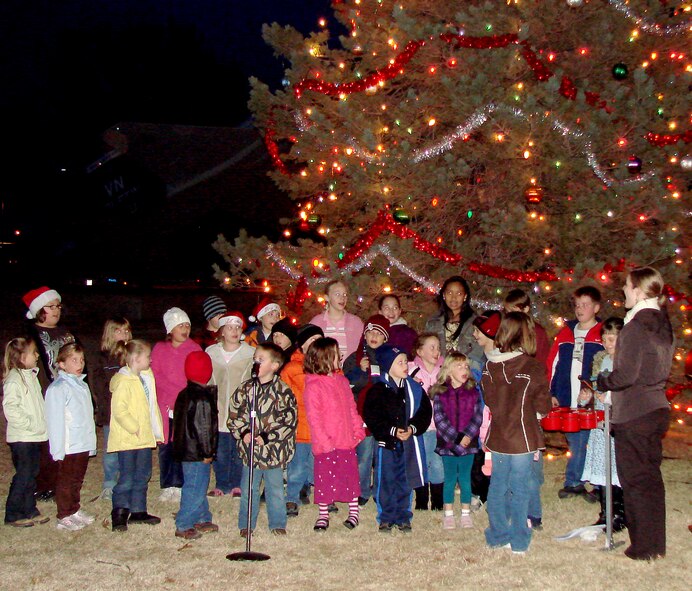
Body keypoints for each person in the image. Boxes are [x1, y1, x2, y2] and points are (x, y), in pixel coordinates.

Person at [596, 267, 673, 561]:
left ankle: (643, 547)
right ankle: (655, 543)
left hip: (635, 412)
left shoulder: (636, 326)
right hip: (656, 408)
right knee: (650, 479)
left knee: (636, 482)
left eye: (627, 287)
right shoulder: (661, 322)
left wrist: (604, 380)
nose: (624, 291)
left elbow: (625, 375)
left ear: (639, 290)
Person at [482, 312, 552, 554]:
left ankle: (498, 534)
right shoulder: (532, 367)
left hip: (500, 436)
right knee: (520, 487)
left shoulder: (489, 366)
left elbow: (490, 401)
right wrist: (541, 412)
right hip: (523, 436)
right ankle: (519, 540)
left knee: (498, 485)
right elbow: (542, 403)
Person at [228, 342, 297, 536]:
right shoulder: (245, 389)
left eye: (261, 360)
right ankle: (246, 524)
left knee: (275, 489)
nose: (256, 363)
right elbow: (234, 414)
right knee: (248, 489)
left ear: (275, 365)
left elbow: (288, 421)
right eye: (255, 359)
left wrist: (268, 436)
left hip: (272, 453)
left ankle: (277, 523)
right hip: (251, 452)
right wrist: (243, 432)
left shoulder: (283, 391)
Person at [362, 345, 432, 533]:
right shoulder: (378, 390)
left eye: (405, 361)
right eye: (399, 362)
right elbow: (372, 416)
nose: (405, 366)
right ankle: (386, 516)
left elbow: (424, 413)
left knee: (405, 480)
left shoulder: (415, 389)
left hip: (409, 444)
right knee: (386, 480)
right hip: (387, 445)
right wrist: (391, 431)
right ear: (388, 366)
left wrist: (412, 428)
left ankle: (403, 515)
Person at [303, 337, 366, 531]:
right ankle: (324, 513)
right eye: (336, 353)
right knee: (325, 478)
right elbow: (315, 418)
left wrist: (358, 430)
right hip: (326, 444)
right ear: (323, 358)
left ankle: (353, 511)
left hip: (346, 440)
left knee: (349, 476)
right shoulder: (313, 386)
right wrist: (324, 442)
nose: (340, 357)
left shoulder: (342, 381)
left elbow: (351, 407)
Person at [547, 286, 604, 501]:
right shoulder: (565, 333)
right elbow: (553, 363)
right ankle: (574, 482)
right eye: (577, 305)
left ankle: (598, 484)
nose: (580, 309)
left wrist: (595, 390)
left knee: (594, 442)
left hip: (593, 401)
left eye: (585, 305)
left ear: (596, 308)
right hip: (568, 398)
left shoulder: (602, 334)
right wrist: (551, 391)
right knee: (576, 442)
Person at [22, 286, 76, 501]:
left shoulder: (67, 334)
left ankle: (61, 481)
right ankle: (43, 484)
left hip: (68, 394)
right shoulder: (31, 336)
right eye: (50, 306)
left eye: (58, 306)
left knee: (66, 440)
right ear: (38, 309)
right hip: (46, 394)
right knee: (47, 443)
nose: (56, 310)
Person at [108, 340, 164, 532]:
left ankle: (139, 510)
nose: (150, 360)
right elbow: (119, 410)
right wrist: (135, 427)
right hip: (129, 438)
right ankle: (120, 512)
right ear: (135, 359)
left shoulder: (146, 378)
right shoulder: (123, 381)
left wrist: (154, 429)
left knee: (143, 473)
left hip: (144, 437)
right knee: (127, 476)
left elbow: (150, 406)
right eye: (147, 357)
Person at [579, 317, 626, 532]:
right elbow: (595, 386)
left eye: (612, 339)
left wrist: (609, 396)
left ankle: (620, 513)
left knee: (616, 467)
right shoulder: (601, 360)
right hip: (601, 419)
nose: (607, 344)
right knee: (603, 467)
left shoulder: (627, 362)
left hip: (617, 420)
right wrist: (588, 395)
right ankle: (606, 513)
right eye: (605, 340)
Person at [45, 343, 97, 531]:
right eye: (74, 360)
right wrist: (58, 449)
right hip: (69, 444)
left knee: (77, 479)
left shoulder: (82, 385)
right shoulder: (58, 389)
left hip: (82, 441)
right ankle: (64, 514)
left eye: (82, 359)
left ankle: (74, 509)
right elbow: (55, 420)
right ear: (61, 364)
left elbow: (86, 415)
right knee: (66, 481)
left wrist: (90, 442)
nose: (79, 363)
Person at [151, 307, 202, 501]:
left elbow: (198, 374)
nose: (185, 329)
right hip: (166, 405)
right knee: (167, 446)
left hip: (186, 405)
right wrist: (170, 391)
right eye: (180, 325)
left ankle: (180, 483)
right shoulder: (160, 349)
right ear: (170, 329)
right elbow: (155, 375)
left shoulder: (194, 348)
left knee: (183, 445)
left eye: (187, 325)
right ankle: (168, 483)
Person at [430, 352, 483, 530]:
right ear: (449, 370)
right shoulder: (441, 394)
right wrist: (456, 437)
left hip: (469, 444)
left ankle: (466, 513)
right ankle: (449, 513)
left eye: (466, 366)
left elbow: (477, 417)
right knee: (450, 478)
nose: (464, 370)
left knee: (466, 478)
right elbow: (439, 419)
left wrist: (468, 436)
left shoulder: (473, 393)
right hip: (448, 444)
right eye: (459, 366)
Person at [343, 314, 390, 507]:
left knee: (381, 458)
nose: (373, 336)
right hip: (361, 416)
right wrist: (360, 371)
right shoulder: (355, 358)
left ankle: (379, 490)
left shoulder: (390, 357)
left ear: (385, 338)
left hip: (383, 416)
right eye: (370, 331)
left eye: (379, 333)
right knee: (363, 456)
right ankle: (361, 490)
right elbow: (346, 385)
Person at [2, 337, 50, 527]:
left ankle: (30, 508)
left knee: (32, 473)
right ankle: (12, 513)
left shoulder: (31, 376)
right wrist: (30, 424)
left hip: (35, 436)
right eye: (33, 352)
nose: (37, 355)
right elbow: (11, 409)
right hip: (22, 437)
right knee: (23, 475)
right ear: (21, 357)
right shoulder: (14, 380)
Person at [205, 311, 254, 498]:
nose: (234, 331)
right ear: (222, 331)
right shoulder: (212, 352)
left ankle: (237, 483)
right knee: (221, 449)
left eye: (237, 327)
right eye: (229, 327)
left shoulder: (250, 353)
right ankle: (221, 483)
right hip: (218, 407)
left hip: (240, 409)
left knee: (238, 447)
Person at [172, 352, 219, 540]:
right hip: (197, 452)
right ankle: (184, 523)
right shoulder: (202, 398)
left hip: (186, 449)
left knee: (195, 483)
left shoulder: (183, 394)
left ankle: (201, 516)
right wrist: (207, 452)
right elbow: (204, 429)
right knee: (195, 486)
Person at [281, 324, 324, 516]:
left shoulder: (327, 367)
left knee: (318, 466)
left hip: (321, 428)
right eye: (313, 341)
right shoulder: (292, 368)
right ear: (303, 345)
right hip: (300, 427)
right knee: (297, 467)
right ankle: (292, 498)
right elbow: (283, 395)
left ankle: (323, 497)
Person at [91, 317, 132, 501]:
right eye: (119, 331)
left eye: (126, 331)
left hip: (130, 411)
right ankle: (109, 483)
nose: (124, 334)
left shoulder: (132, 355)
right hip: (111, 412)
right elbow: (99, 385)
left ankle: (126, 481)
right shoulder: (103, 358)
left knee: (128, 449)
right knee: (111, 451)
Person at [408, 333, 444, 511]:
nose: (436, 351)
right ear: (420, 351)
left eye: (438, 347)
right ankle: (421, 500)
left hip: (439, 427)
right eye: (432, 347)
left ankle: (437, 501)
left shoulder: (444, 371)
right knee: (420, 462)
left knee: (436, 463)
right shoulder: (411, 370)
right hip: (420, 427)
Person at [470, 311, 501, 510]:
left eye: (477, 331)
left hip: (494, 417)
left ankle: (494, 495)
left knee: (494, 458)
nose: (474, 335)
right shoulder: (478, 359)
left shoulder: (498, 360)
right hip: (479, 418)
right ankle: (480, 493)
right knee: (479, 457)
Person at [425, 276, 483, 371]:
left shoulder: (475, 323)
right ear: (444, 295)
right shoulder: (433, 323)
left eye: (459, 293)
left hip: (465, 374)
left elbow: (478, 354)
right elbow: (426, 350)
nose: (453, 298)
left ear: (465, 296)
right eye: (449, 293)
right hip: (438, 374)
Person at [310, 280, 364, 366]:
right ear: (327, 297)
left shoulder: (355, 322)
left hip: (350, 373)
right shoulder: (317, 322)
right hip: (324, 372)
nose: (342, 298)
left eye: (345, 295)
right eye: (337, 294)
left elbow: (364, 347)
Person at [503, 289, 551, 366]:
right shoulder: (506, 328)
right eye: (507, 312)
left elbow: (542, 358)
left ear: (525, 309)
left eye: (513, 312)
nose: (509, 316)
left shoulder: (537, 331)